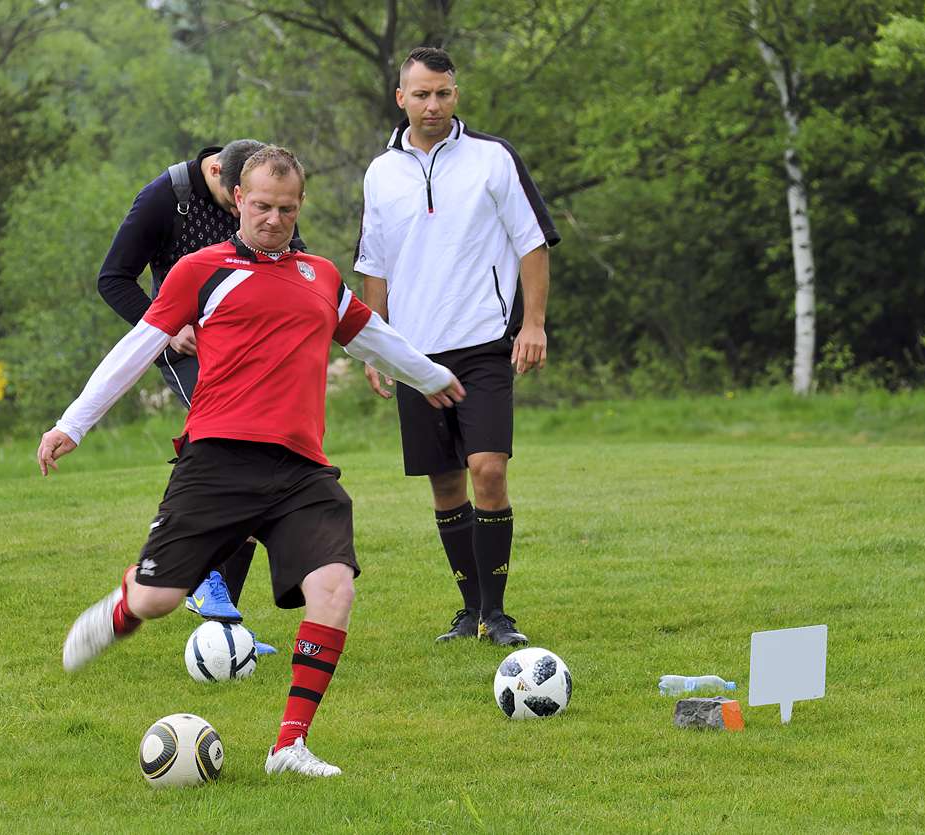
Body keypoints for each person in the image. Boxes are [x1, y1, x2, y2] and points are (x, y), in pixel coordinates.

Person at [38, 146, 465, 777]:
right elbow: (137, 348)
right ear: (238, 198)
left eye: (285, 209)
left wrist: (428, 377)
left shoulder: (321, 275)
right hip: (217, 459)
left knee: (334, 588)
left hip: (300, 470)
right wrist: (73, 423)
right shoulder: (198, 271)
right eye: (261, 205)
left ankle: (288, 746)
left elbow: (371, 333)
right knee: (160, 599)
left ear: (299, 207)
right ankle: (125, 606)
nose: (272, 218)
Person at [354, 47, 560, 646]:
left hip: (485, 344)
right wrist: (377, 348)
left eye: (443, 92)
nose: (433, 104)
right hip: (415, 357)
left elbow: (532, 244)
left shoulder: (492, 160)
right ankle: (468, 611)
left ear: (455, 94)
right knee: (445, 485)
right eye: (421, 94)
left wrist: (534, 324)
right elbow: (374, 267)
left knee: (487, 471)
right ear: (401, 98)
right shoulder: (379, 172)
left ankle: (498, 615)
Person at [98, 139, 303, 643]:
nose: (249, 211)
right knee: (226, 448)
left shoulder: (261, 199)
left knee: (261, 461)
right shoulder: (163, 198)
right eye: (237, 200)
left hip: (247, 351)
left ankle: (223, 619)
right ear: (216, 173)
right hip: (185, 346)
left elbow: (291, 261)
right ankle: (187, 564)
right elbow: (113, 279)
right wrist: (166, 327)